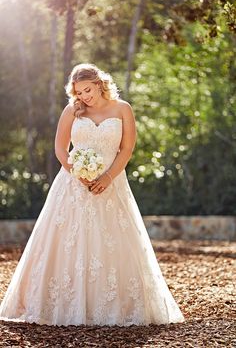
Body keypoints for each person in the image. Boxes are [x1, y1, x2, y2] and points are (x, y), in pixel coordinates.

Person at [0, 63, 185, 326]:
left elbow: (127, 148)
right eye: (79, 92)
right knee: (67, 242)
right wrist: (77, 172)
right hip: (72, 186)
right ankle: (60, 305)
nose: (84, 96)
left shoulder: (122, 109)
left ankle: (114, 307)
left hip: (112, 183)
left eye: (88, 90)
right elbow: (60, 148)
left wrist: (108, 177)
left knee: (112, 242)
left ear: (100, 84)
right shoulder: (72, 110)